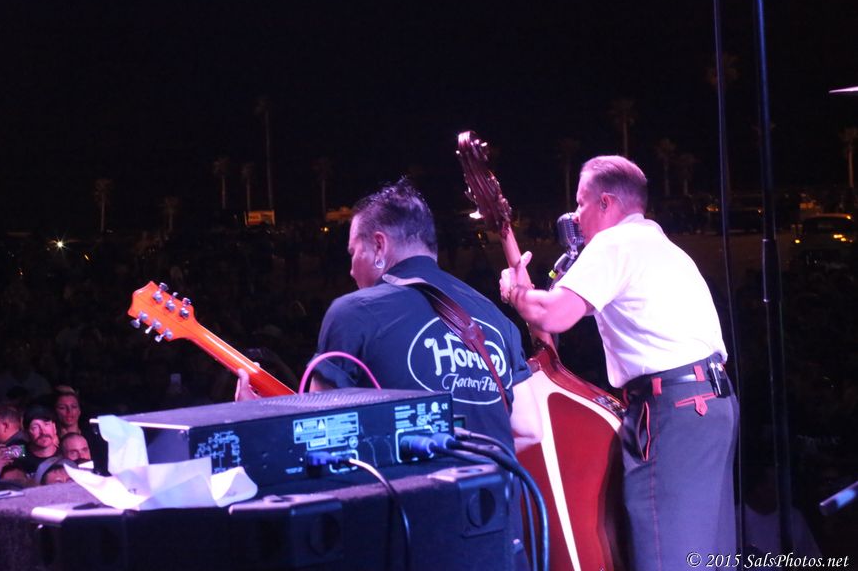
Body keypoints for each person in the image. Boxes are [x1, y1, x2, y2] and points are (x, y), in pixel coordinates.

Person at [237, 178, 541, 565]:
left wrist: (256, 419)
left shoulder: (354, 312)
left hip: (409, 546)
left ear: (379, 245)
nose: (351, 270)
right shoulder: (498, 320)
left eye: (354, 253)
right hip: (498, 544)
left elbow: (319, 443)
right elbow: (530, 430)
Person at [499, 155, 738, 571]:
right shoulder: (661, 248)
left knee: (667, 557)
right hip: (712, 403)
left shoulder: (615, 244)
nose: (575, 216)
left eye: (581, 203)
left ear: (606, 203)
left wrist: (514, 293)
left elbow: (554, 315)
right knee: (705, 557)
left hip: (673, 409)